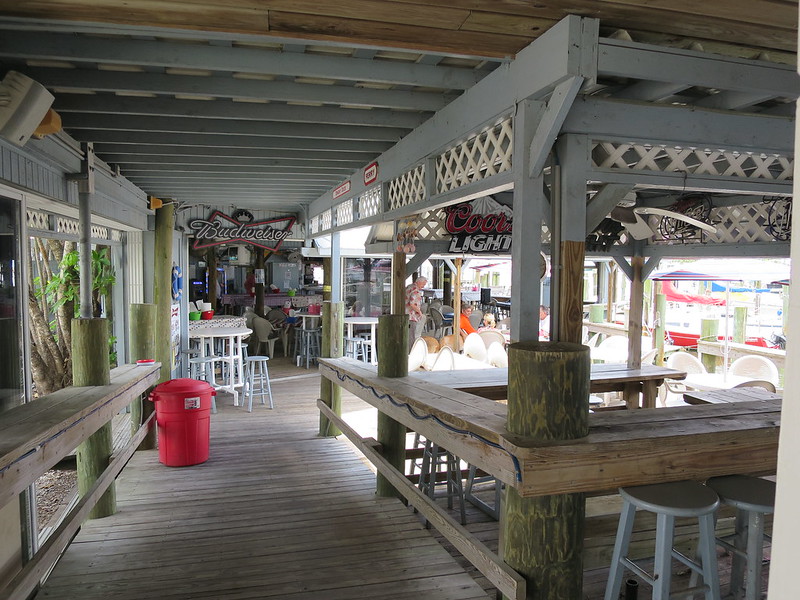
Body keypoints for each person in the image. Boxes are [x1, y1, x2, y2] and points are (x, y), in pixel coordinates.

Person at [405, 276, 427, 351]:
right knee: (411, 336)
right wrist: (419, 312)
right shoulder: (415, 291)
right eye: (423, 284)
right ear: (419, 282)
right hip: (411, 316)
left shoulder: (409, 287)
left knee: (407, 334)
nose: (423, 286)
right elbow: (412, 304)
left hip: (404, 313)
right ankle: (410, 353)